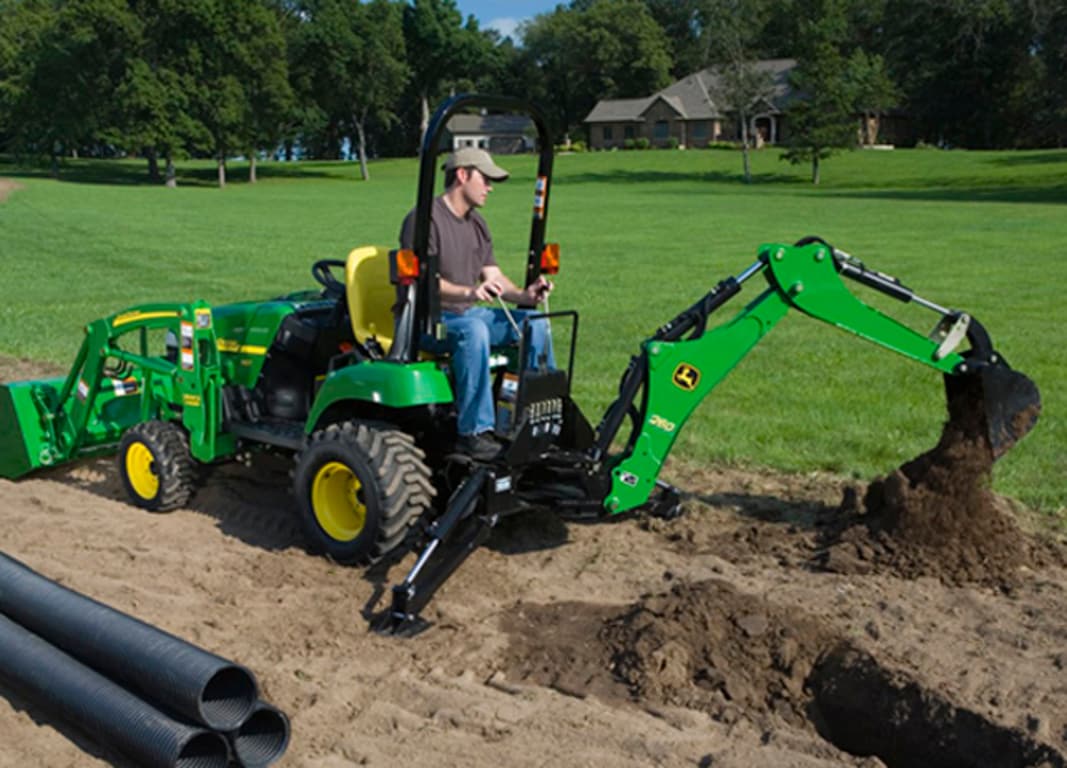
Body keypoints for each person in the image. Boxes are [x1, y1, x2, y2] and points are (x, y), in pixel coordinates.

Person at [399, 147, 554, 460]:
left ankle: (538, 417)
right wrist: (471, 292)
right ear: (462, 175)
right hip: (431, 320)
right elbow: (426, 284)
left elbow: (493, 276)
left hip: (471, 313)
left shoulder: (477, 224)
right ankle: (475, 432)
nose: (490, 187)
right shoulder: (423, 220)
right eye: (485, 179)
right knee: (474, 330)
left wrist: (526, 295)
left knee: (535, 324)